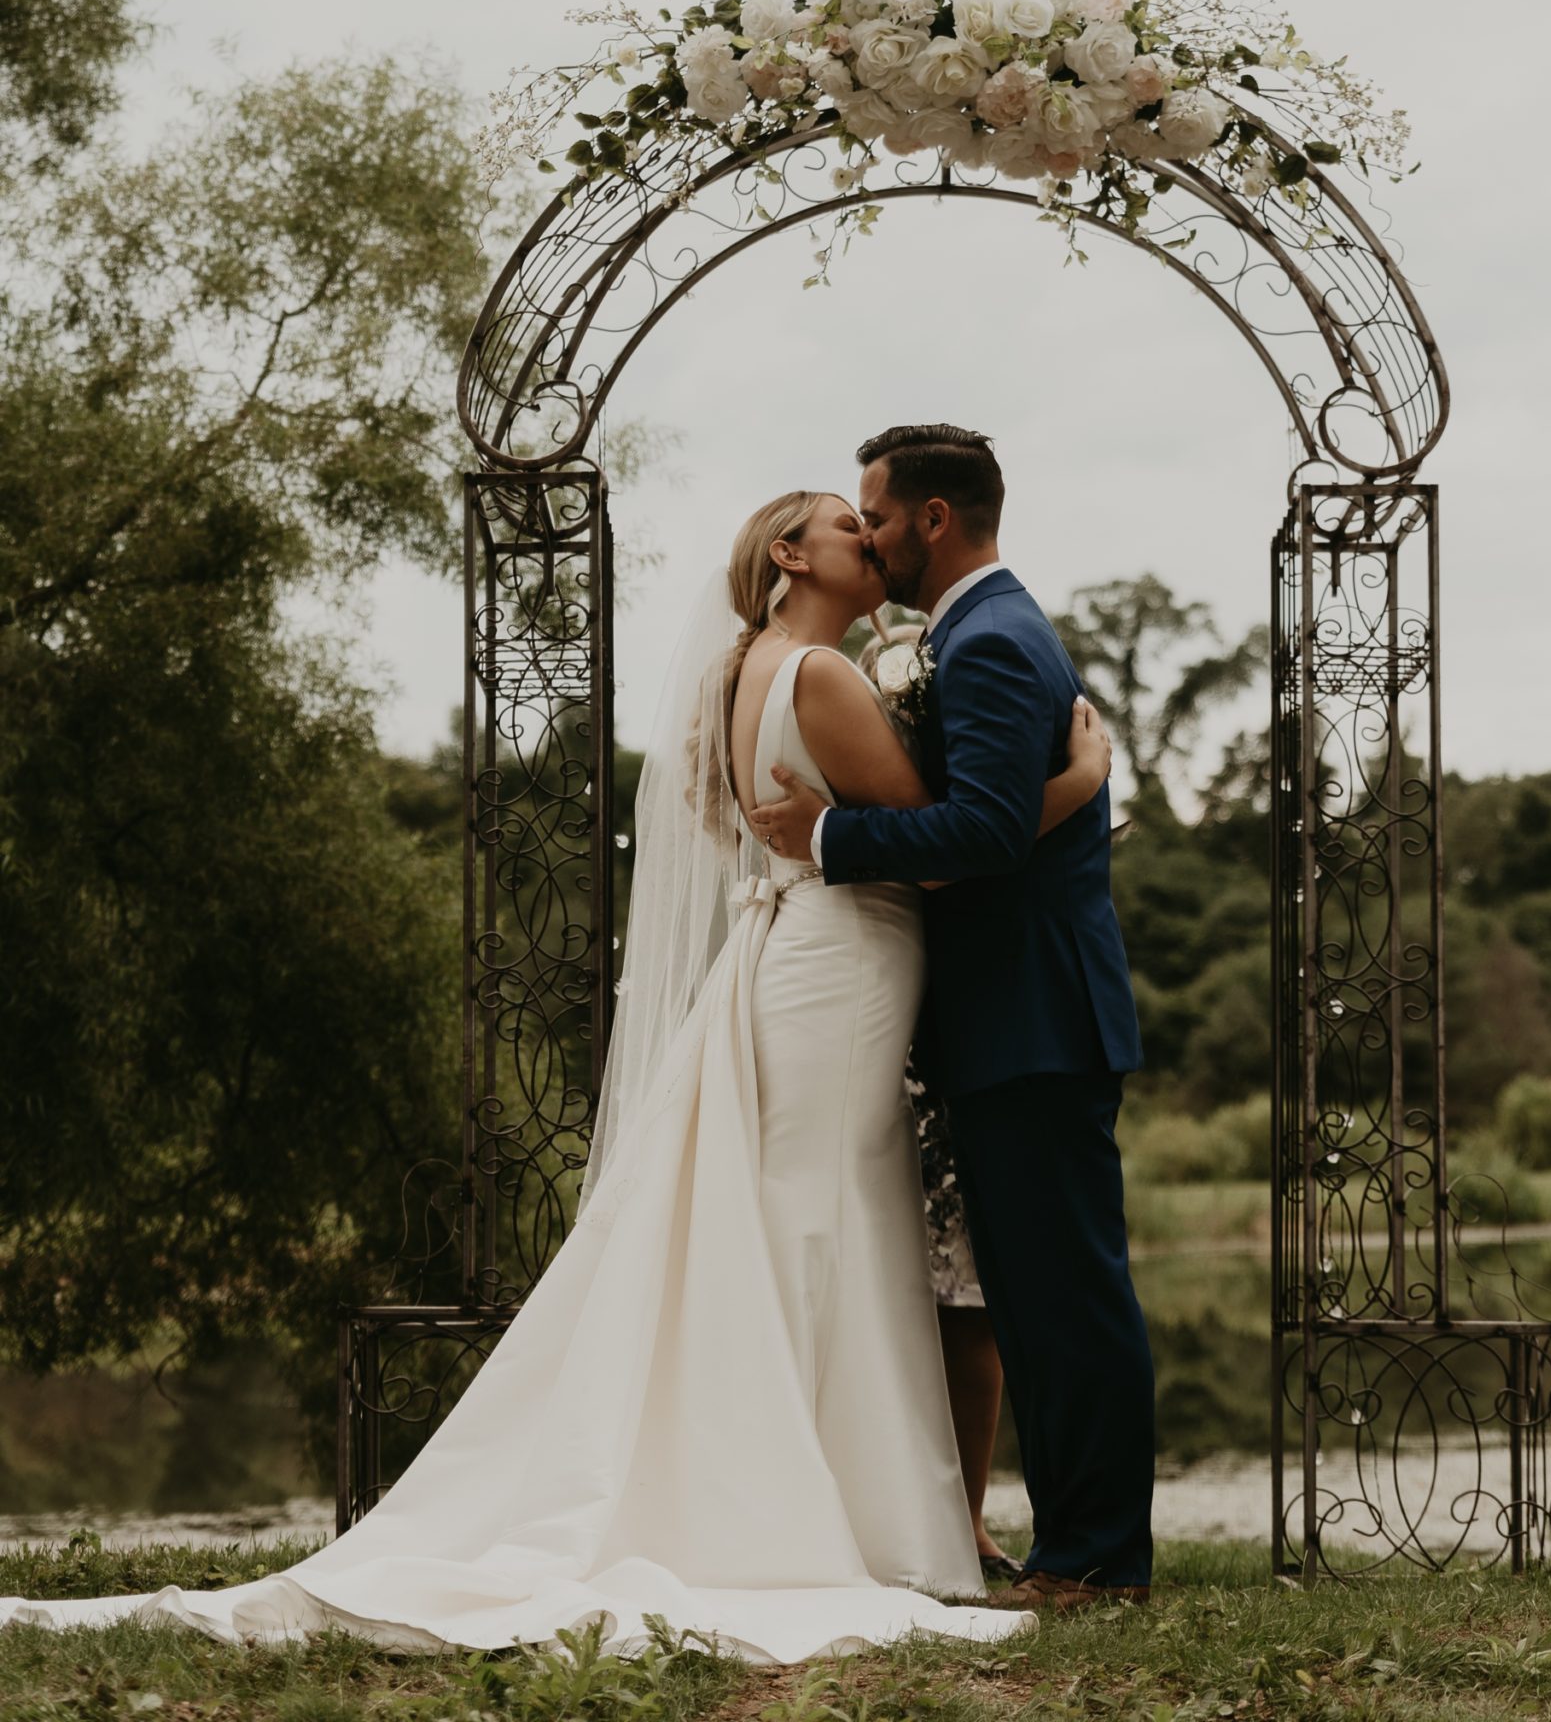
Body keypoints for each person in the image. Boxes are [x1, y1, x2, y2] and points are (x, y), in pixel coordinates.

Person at [2, 488, 1110, 1665]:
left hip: (801, 957)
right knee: (826, 1219)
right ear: (789, 551)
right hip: (841, 962)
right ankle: (825, 1508)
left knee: (808, 1215)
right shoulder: (822, 676)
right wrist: (1076, 788)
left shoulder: (752, 668)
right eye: (849, 525)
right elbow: (948, 845)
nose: (871, 541)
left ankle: (825, 1492)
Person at [752, 426, 1155, 1610]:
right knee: (1034, 1297)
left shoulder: (987, 641)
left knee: (1069, 1296)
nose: (868, 534)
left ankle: (1098, 1558)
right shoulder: (970, 633)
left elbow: (979, 831)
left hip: (1034, 1017)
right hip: (1008, 1020)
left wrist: (831, 837)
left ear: (932, 518)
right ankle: (1071, 1549)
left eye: (875, 512)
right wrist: (1079, 788)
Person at [857, 620, 1016, 1581]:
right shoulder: (822, 695)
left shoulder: (975, 679)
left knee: (967, 1289)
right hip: (865, 997)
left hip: (950, 1006)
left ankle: (967, 1517)